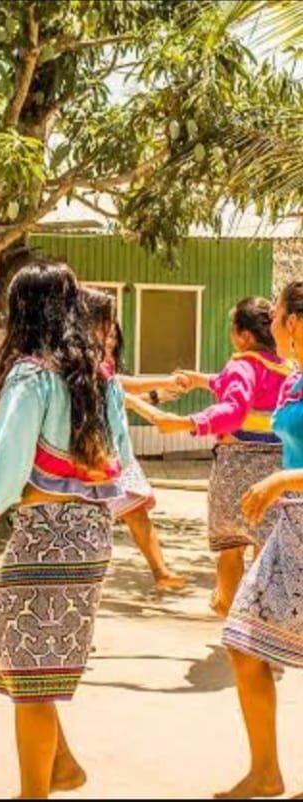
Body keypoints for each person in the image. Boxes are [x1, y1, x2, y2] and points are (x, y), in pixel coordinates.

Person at [0, 260, 133, 799]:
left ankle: (34, 793)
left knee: (29, 671)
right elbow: (121, 460)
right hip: (91, 535)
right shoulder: (99, 379)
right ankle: (62, 764)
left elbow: (8, 463)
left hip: (46, 533)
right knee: (14, 648)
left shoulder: (32, 375)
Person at [133, 297, 289, 616]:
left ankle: (228, 608)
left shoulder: (242, 365)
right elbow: (230, 385)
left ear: (243, 335)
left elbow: (233, 409)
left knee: (230, 548)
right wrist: (200, 380)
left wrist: (186, 422)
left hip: (236, 466)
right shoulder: (286, 367)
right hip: (275, 471)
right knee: (265, 548)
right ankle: (261, 625)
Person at [215, 281, 303, 799]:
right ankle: (266, 772)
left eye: (276, 317)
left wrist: (282, 480)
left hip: (293, 510)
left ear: (293, 322)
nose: (270, 326)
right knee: (243, 641)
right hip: (290, 527)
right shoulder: (293, 378)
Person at [85, 296, 186, 590]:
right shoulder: (85, 370)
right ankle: (158, 571)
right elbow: (124, 390)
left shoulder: (107, 372)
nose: (111, 341)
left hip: (119, 457)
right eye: (106, 334)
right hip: (99, 457)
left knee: (135, 513)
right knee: (116, 516)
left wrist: (159, 389)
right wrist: (158, 392)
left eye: (115, 336)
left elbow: (121, 391)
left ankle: (160, 571)